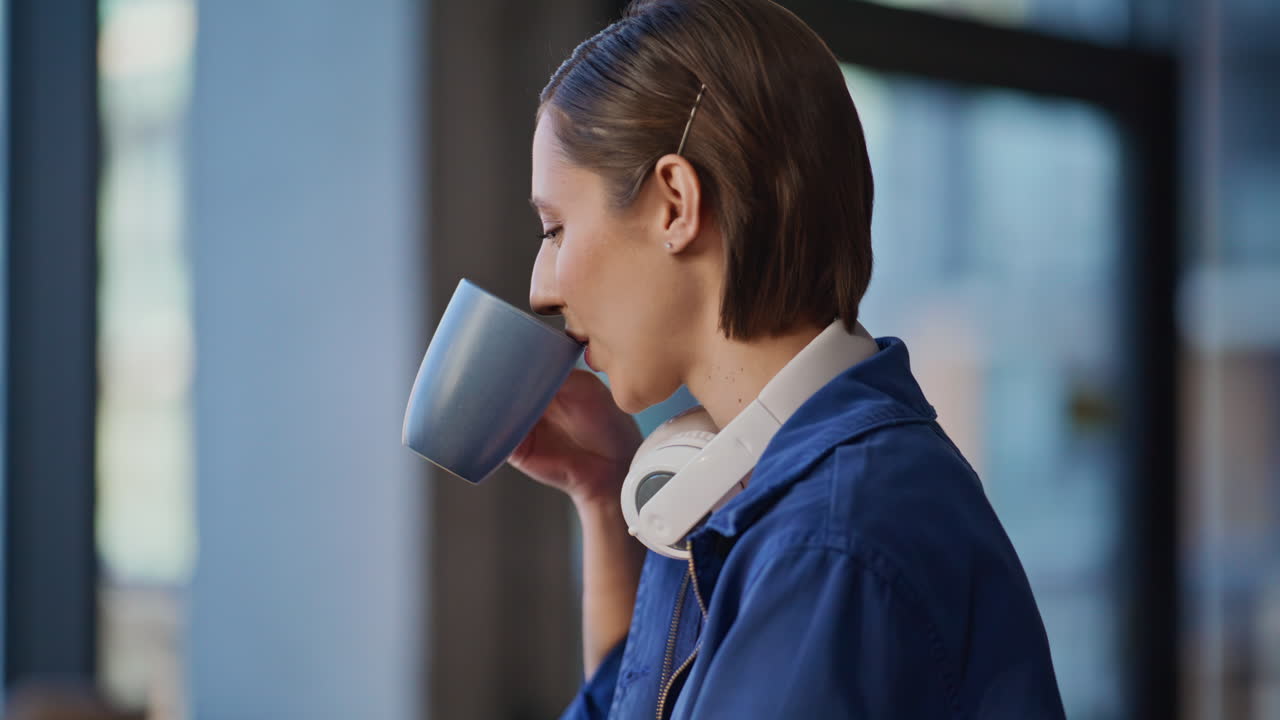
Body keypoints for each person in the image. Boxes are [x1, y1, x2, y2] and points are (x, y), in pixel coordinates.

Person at [507, 0, 1067, 717]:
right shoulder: (751, 486)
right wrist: (603, 488)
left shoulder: (826, 544)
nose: (539, 287)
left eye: (555, 229)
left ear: (675, 203)